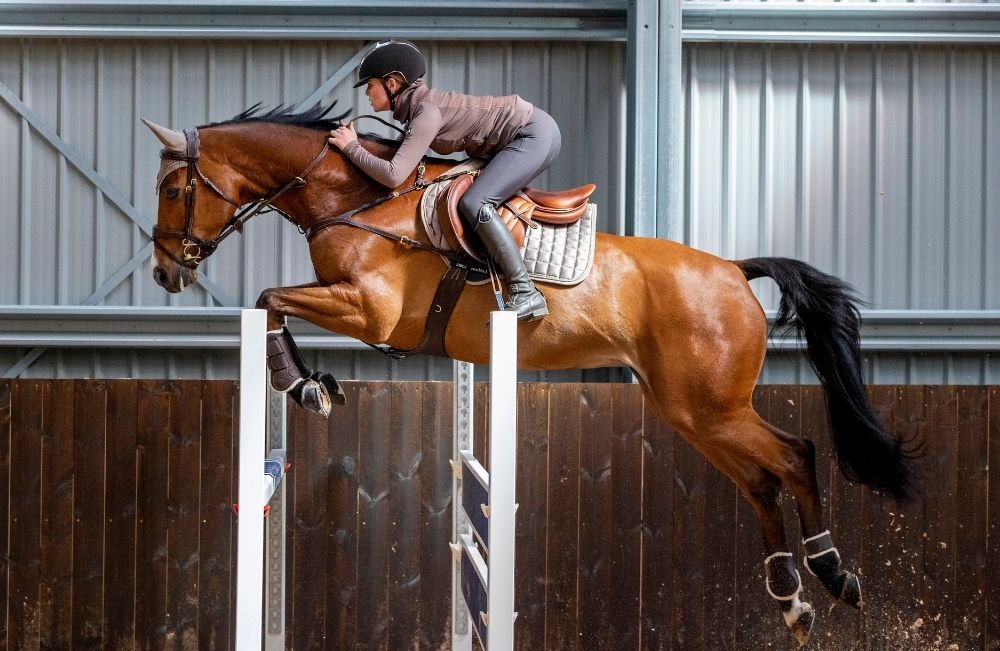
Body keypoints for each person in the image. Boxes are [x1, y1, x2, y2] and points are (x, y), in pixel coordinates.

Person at [328, 39, 560, 322]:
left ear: (391, 84)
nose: (366, 92)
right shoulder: (420, 111)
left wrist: (351, 147)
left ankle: (525, 292)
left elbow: (393, 175)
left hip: (532, 135)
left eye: (370, 84)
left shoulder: (427, 113)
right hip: (528, 133)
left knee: (475, 202)